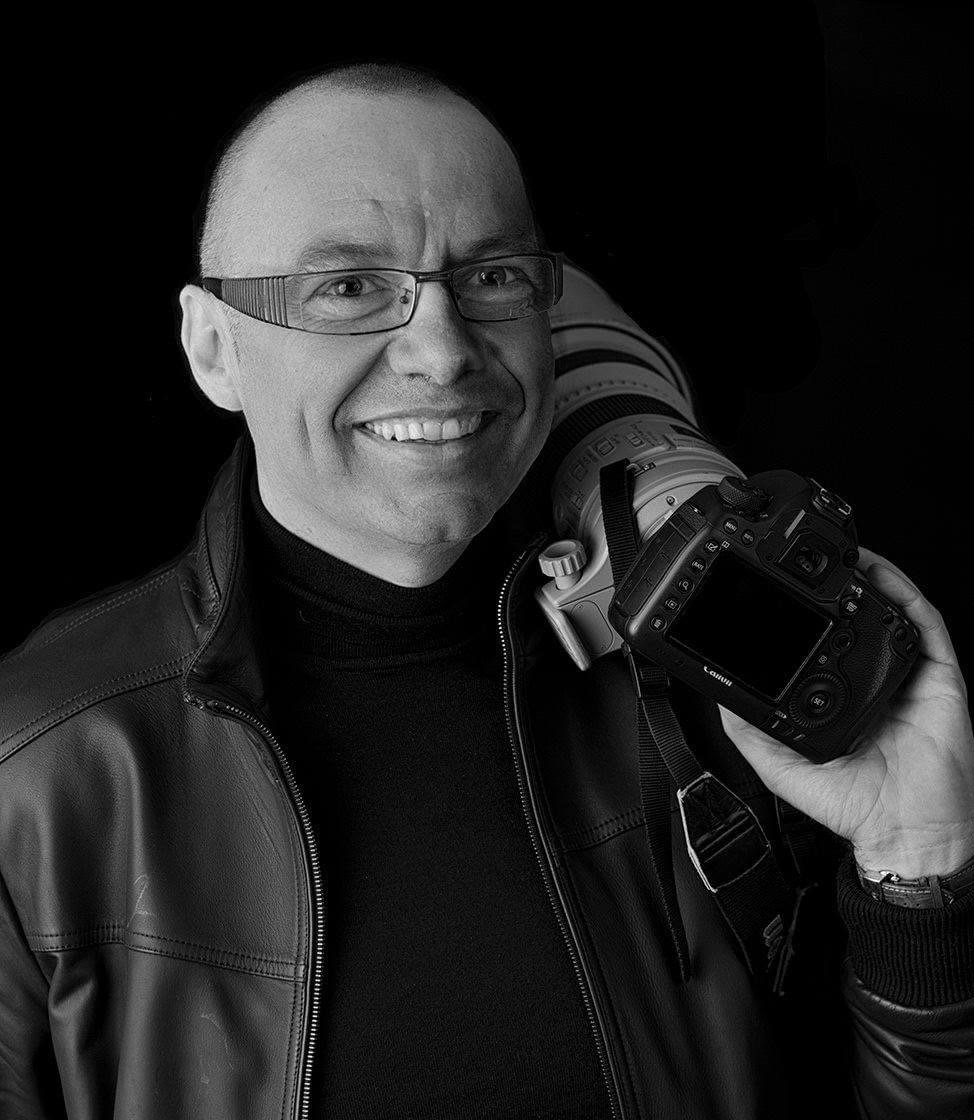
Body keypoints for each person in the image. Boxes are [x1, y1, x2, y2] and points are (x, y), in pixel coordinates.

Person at [1, 61, 971, 1120]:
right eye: (348, 287)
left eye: (493, 276)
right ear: (212, 348)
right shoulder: (37, 764)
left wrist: (913, 870)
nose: (439, 350)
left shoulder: (724, 681)